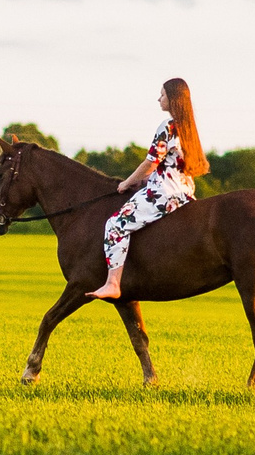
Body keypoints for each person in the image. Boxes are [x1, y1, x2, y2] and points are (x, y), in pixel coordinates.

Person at [85, 77, 209, 300]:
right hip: (185, 193)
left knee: (115, 225)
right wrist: (145, 180)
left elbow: (151, 162)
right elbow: (171, 165)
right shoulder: (189, 129)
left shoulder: (168, 126)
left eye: (162, 95)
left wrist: (127, 182)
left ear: (173, 99)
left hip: (163, 193)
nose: (158, 99)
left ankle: (113, 283)